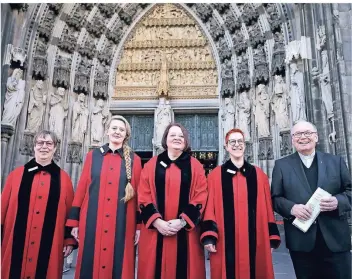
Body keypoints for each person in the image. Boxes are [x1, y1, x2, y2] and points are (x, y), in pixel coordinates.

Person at [271, 120, 351, 279]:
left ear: (316, 137)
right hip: (302, 241)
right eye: (298, 134)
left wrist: (338, 202)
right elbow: (275, 198)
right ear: (292, 139)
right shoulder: (282, 165)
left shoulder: (336, 161)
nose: (303, 137)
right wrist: (292, 208)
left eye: (307, 133)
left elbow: (350, 191)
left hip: (335, 238)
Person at [66, 115, 142, 279]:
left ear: (126, 134)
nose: (117, 132)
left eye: (121, 130)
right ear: (107, 131)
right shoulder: (92, 156)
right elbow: (82, 189)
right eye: (114, 128)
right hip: (92, 221)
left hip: (123, 223)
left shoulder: (135, 160)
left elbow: (138, 198)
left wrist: (138, 227)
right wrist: (74, 222)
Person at [201, 128, 280, 279]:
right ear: (226, 146)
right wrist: (209, 236)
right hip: (225, 241)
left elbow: (267, 209)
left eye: (240, 141)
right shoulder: (215, 176)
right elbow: (209, 208)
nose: (237, 145)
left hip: (255, 241)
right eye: (232, 142)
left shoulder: (259, 176)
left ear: (245, 145)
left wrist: (270, 236)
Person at [1, 130, 76, 279]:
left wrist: (69, 239)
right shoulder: (15, 176)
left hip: (50, 248)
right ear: (34, 146)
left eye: (49, 143)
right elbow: (2, 208)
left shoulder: (64, 179)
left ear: (55, 148)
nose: (44, 147)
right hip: (15, 242)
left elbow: (70, 213)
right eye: (40, 143)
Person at [138, 123, 208, 279]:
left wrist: (183, 221)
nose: (177, 138)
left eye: (181, 136)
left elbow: (201, 196)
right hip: (155, 234)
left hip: (186, 234)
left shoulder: (195, 166)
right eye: (173, 135)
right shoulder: (151, 165)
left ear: (186, 141)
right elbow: (143, 195)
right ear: (165, 140)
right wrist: (157, 222)